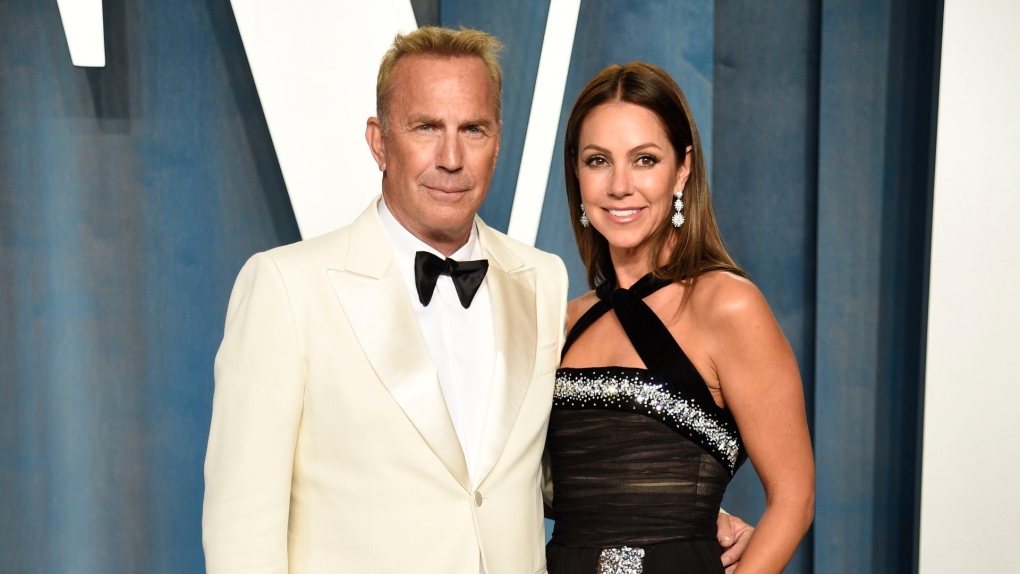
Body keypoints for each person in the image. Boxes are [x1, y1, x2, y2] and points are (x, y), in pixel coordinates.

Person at [203, 27, 753, 573]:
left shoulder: (540, 280)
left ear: (497, 141)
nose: (451, 157)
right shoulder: (286, 286)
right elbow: (242, 529)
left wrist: (677, 506)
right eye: (425, 127)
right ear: (379, 141)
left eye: (473, 129)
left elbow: (545, 470)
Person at [544, 62, 814, 574]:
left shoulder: (727, 306)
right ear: (576, 173)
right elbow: (555, 488)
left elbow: (795, 499)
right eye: (598, 160)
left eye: (644, 159)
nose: (620, 186)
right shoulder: (562, 321)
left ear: (682, 169)